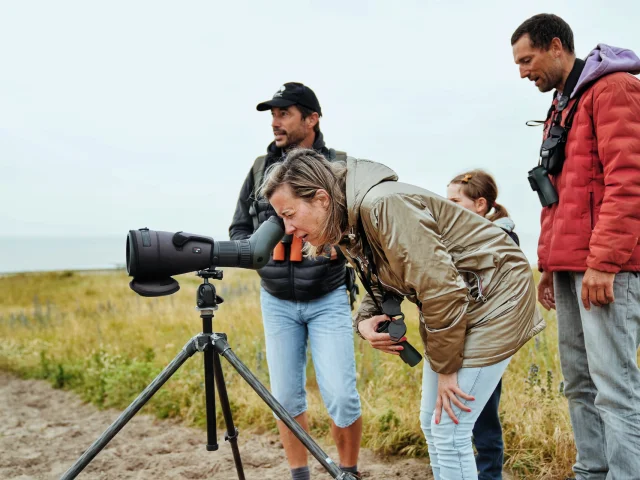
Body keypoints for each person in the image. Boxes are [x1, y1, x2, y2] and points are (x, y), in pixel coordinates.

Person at [261, 149, 545, 480]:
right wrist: (365, 317)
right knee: (434, 423)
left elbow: (441, 288)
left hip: (495, 300)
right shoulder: (348, 221)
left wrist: (447, 369)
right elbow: (388, 279)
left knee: (450, 430)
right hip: (462, 301)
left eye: (290, 214)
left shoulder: (381, 205)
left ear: (322, 198)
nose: (288, 228)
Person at [511, 14, 640, 480]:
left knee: (614, 387)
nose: (523, 72)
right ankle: (592, 473)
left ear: (556, 45)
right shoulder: (563, 103)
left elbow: (629, 182)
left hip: (607, 268)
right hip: (570, 268)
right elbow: (559, 197)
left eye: (527, 60)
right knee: (579, 384)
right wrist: (549, 264)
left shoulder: (615, 89)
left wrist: (606, 262)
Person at [229, 83, 362, 480]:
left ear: (312, 118)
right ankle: (299, 476)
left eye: (284, 113)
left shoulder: (338, 166)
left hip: (328, 295)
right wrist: (260, 254)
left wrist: (334, 244)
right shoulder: (258, 170)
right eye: (272, 115)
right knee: (285, 398)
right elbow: (239, 229)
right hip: (276, 299)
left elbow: (357, 226)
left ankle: (348, 474)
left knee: (341, 395)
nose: (275, 122)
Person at [446, 169, 519, 480]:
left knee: (484, 414)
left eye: (453, 201)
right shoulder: (456, 237)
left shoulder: (502, 239)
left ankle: (489, 475)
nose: (446, 207)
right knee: (467, 414)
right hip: (462, 335)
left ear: (479, 205)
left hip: (488, 338)